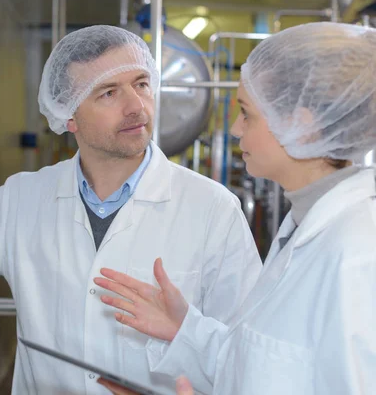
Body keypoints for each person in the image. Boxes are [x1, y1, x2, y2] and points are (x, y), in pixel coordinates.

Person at [0, 25, 261, 394]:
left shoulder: (212, 209)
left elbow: (248, 352)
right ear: (68, 115)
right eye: (108, 92)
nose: (136, 106)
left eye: (141, 84)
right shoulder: (23, 200)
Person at [95, 21, 376, 395]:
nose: (235, 128)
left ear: (302, 126)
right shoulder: (306, 226)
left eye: (247, 113)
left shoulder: (359, 254)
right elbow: (264, 366)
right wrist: (184, 329)